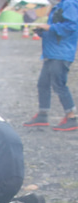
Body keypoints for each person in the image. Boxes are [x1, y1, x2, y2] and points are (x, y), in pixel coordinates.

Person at [23, 0, 78, 131]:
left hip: (61, 53)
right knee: (43, 83)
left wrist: (48, 27)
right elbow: (56, 27)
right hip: (51, 52)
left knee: (59, 85)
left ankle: (71, 117)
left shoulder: (69, 4)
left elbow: (71, 26)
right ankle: (42, 115)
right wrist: (43, 32)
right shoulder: (57, 6)